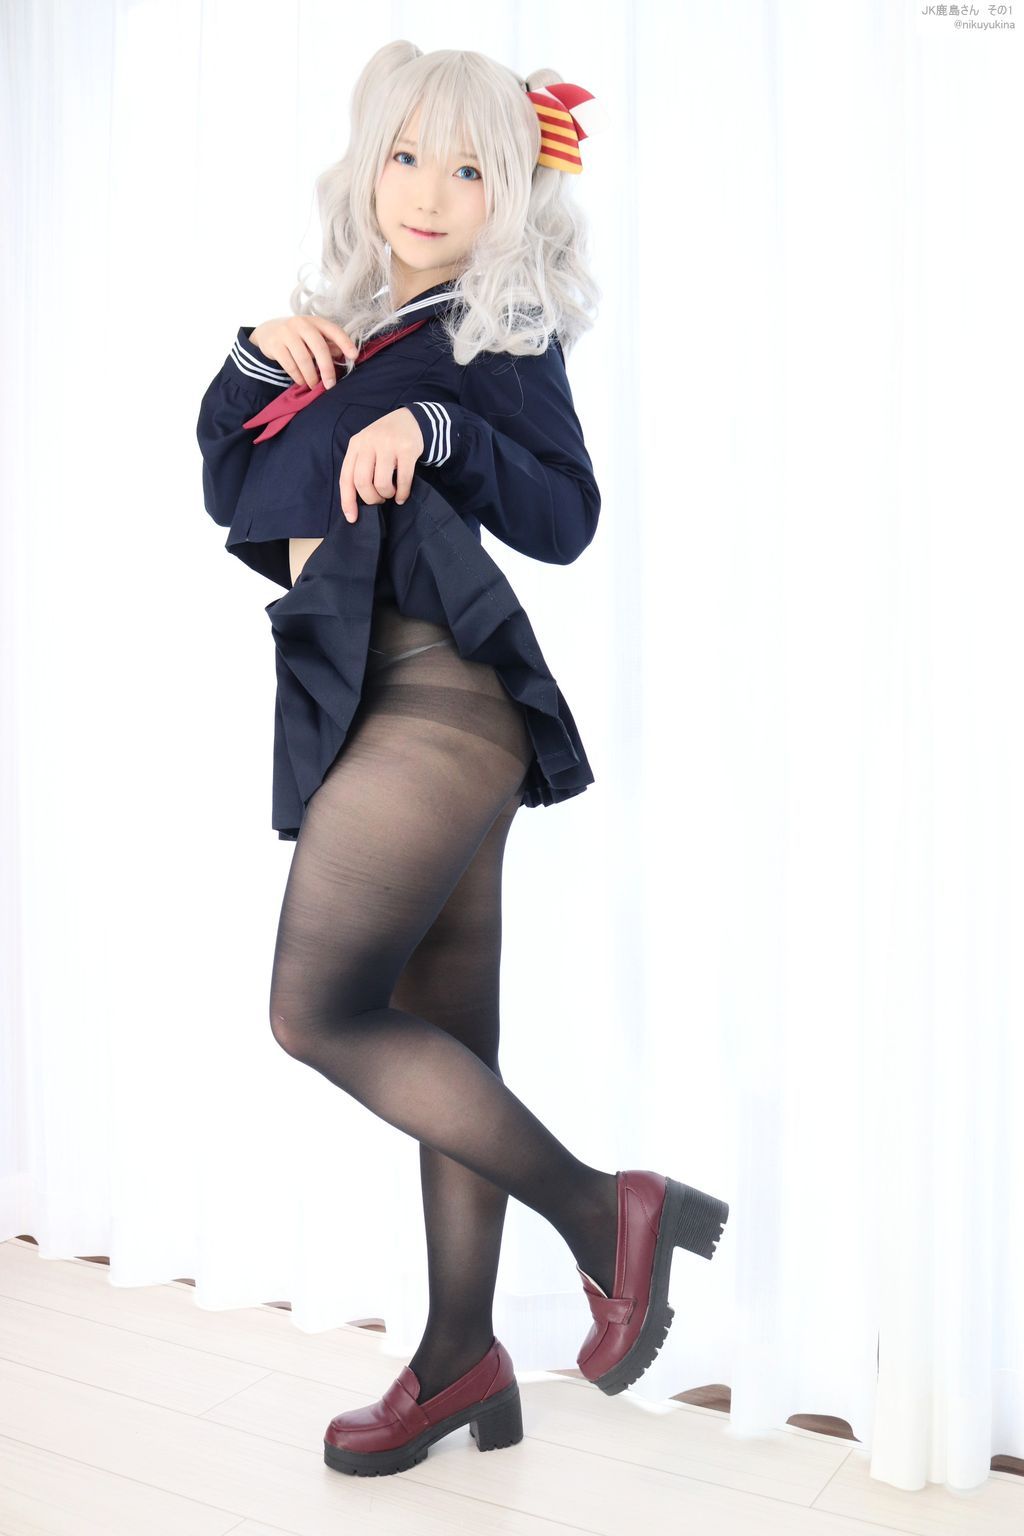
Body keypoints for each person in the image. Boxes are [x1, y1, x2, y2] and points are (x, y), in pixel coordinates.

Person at [196, 41, 728, 1479]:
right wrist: (259, 357)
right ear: (367, 164)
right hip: (377, 705)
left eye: (471, 168)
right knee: (447, 1040)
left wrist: (434, 427)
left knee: (315, 1011)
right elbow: (234, 482)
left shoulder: (493, 337)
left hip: (438, 701)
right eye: (406, 155)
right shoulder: (347, 332)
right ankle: (459, 1361)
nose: (429, 192)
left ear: (513, 195)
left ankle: (605, 1213)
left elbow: (566, 513)